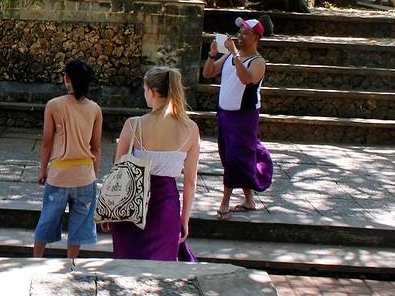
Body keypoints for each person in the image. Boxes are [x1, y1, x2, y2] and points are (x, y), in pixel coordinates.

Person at [110, 66, 200, 262]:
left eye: (144, 90)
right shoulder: (191, 128)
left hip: (132, 206)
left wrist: (111, 210)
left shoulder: (133, 124)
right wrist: (184, 219)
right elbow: (190, 181)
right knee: (161, 266)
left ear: (151, 92)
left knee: (129, 264)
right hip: (166, 205)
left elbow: (117, 171)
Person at [202, 16, 274, 219]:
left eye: (245, 33)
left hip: (244, 116)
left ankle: (224, 202)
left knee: (235, 156)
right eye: (239, 32)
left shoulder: (258, 62)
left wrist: (234, 53)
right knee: (229, 155)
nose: (240, 36)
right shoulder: (230, 57)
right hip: (225, 113)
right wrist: (212, 54)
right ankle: (249, 199)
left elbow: (246, 79)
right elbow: (208, 73)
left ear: (256, 38)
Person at [34, 59, 103, 259]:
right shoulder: (95, 109)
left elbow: (47, 143)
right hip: (85, 176)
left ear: (67, 80)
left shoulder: (53, 105)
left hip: (59, 175)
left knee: (46, 222)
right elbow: (96, 149)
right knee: (78, 229)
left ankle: (35, 261)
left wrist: (43, 171)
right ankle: (71, 266)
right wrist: (94, 175)